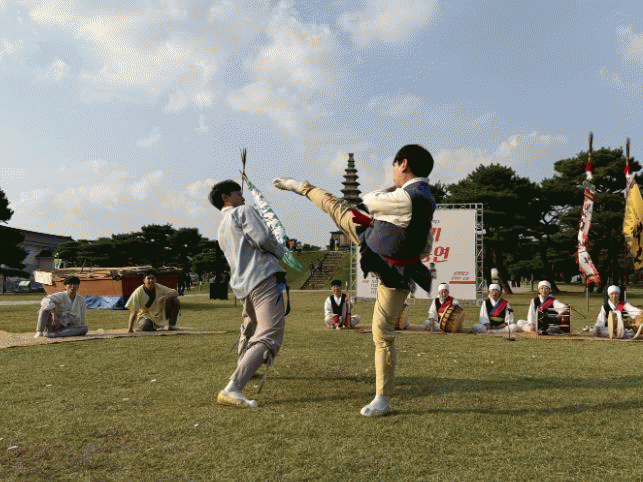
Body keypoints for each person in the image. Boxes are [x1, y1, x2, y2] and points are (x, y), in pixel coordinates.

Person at [274, 144, 435, 417]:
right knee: (383, 333)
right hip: (389, 260)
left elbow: (368, 200)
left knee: (335, 205)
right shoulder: (426, 198)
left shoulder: (408, 196)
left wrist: (389, 194)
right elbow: (426, 241)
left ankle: (382, 398)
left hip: (382, 257)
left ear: (404, 164)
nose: (393, 172)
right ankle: (298, 186)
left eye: (394, 167)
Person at [209, 180, 287, 409]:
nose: (243, 197)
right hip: (262, 276)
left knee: (250, 325)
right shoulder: (243, 211)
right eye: (238, 192)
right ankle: (233, 387)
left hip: (243, 284)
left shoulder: (221, 226)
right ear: (226, 197)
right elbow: (263, 239)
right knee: (270, 333)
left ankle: (244, 367)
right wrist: (280, 250)